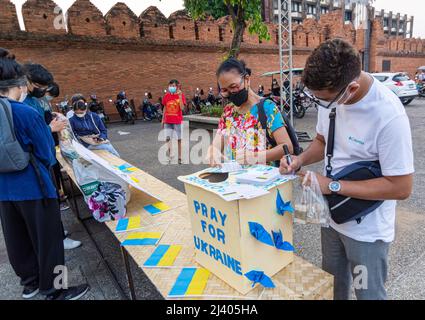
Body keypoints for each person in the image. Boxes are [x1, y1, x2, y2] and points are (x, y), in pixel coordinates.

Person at [279, 39, 414, 300]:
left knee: (368, 293)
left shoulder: (388, 115)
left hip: (367, 231)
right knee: (333, 289)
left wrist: (330, 185)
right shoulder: (330, 99)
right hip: (332, 217)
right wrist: (299, 160)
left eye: (325, 100)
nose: (321, 104)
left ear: (350, 89)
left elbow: (401, 187)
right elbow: (322, 141)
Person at [0, 48, 89, 300]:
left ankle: (30, 285)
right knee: (48, 241)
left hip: (4, 191)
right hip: (34, 186)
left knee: (17, 239)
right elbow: (47, 154)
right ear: (19, 84)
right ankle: (56, 289)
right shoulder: (26, 113)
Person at [208, 58, 293, 167]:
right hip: (235, 179)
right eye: (224, 90)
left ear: (247, 80)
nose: (230, 93)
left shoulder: (267, 108)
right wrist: (213, 152)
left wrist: (255, 156)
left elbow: (287, 147)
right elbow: (217, 144)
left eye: (233, 87)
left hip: (264, 179)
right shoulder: (228, 112)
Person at [162, 79, 186, 164]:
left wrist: (179, 96)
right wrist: (162, 120)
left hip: (177, 121)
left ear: (177, 87)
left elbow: (182, 108)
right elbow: (164, 107)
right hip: (167, 120)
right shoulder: (166, 96)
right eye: (170, 85)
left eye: (173, 86)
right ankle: (170, 155)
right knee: (168, 138)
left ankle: (180, 157)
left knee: (179, 139)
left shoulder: (181, 95)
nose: (171, 87)